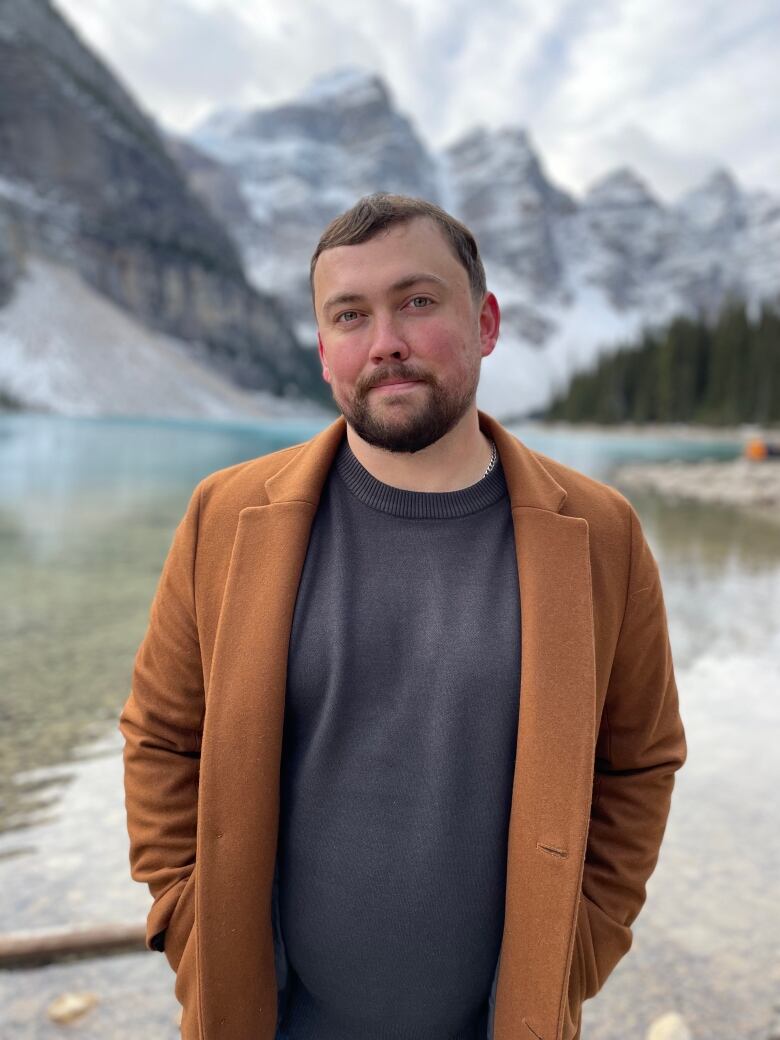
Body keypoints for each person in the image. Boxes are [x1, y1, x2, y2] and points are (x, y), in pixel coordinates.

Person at [119, 193, 687, 1040]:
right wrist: (190, 920)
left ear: (486, 322)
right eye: (350, 315)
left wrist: (580, 945)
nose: (384, 340)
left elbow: (639, 761)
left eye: (417, 302)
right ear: (323, 351)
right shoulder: (224, 515)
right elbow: (163, 736)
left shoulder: (603, 534)